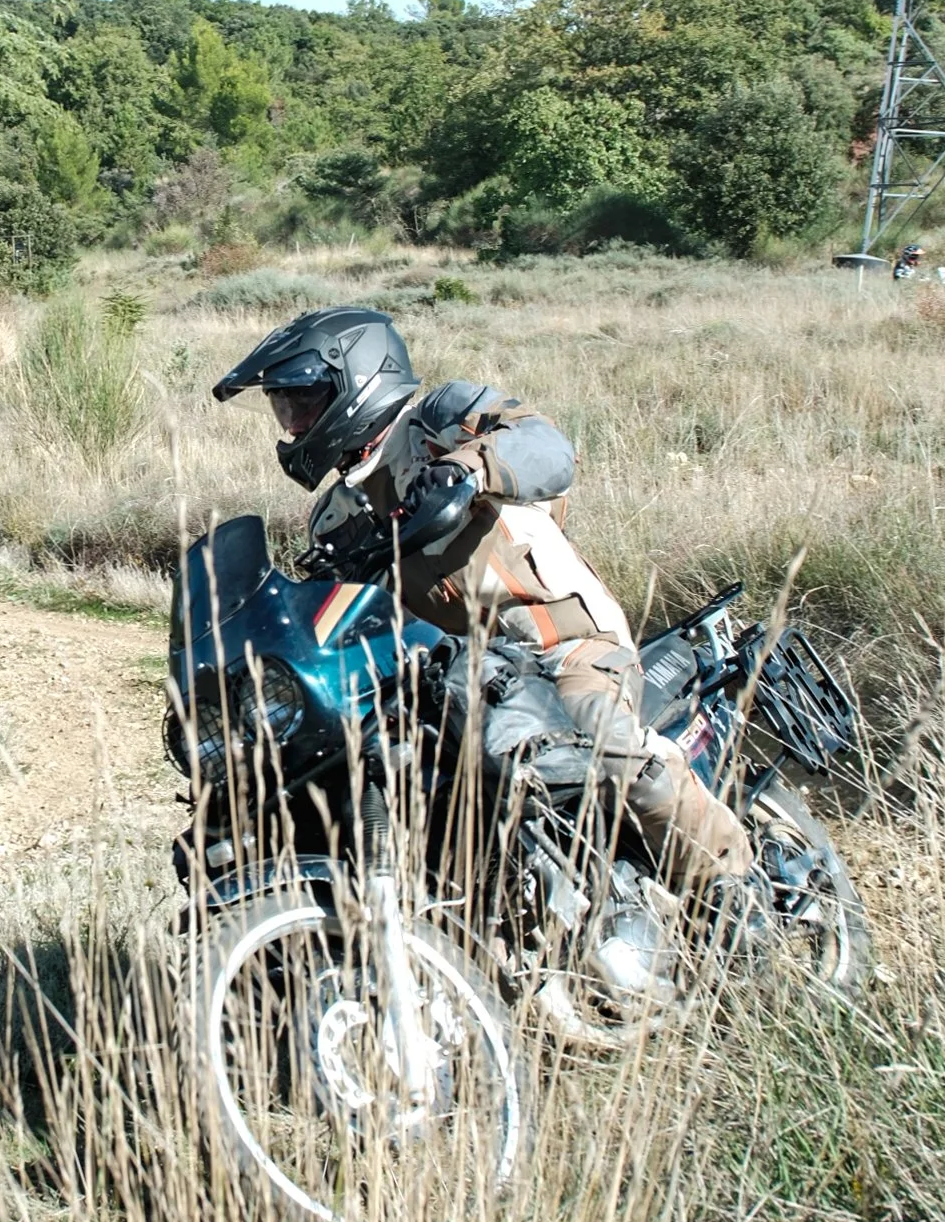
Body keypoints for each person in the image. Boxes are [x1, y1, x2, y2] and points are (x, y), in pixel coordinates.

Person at [212, 305, 752, 890]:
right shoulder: (335, 516)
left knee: (601, 738)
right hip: (457, 688)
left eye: (303, 401)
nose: (293, 422)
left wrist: (468, 469)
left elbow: (548, 447)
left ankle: (733, 889)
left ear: (357, 380)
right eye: (283, 407)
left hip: (560, 648)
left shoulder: (439, 421)